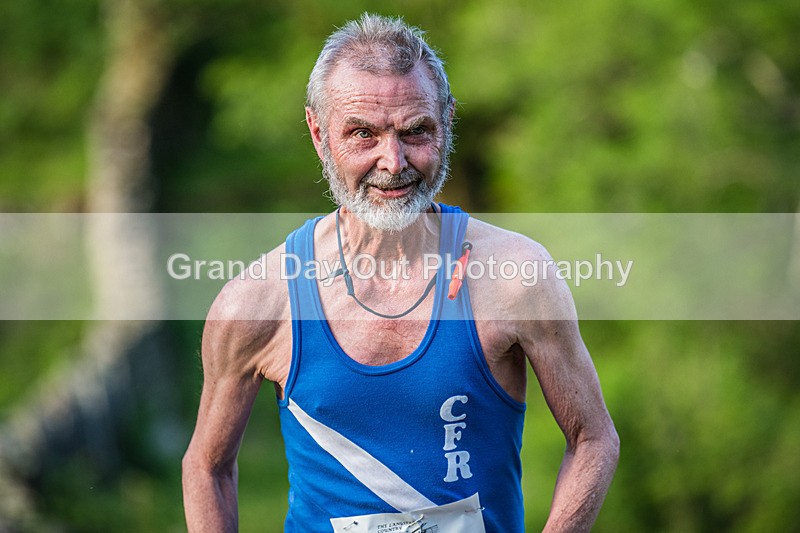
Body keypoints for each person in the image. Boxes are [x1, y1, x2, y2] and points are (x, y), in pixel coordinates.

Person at [182, 13, 619, 533]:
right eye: (362, 134)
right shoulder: (259, 301)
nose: (393, 161)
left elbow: (593, 438)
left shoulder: (514, 278)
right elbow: (206, 467)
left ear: (447, 122)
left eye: (416, 132)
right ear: (319, 133)